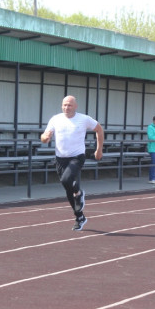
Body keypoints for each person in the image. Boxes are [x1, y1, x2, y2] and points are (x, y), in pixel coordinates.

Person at [41, 95, 104, 231]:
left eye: (69, 105)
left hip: (77, 157)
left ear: (75, 106)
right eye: (64, 105)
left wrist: (99, 150)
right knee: (68, 190)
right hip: (60, 158)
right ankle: (79, 217)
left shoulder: (84, 119)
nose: (66, 107)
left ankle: (79, 193)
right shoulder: (55, 119)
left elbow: (99, 129)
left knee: (66, 180)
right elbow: (44, 136)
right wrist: (45, 138)